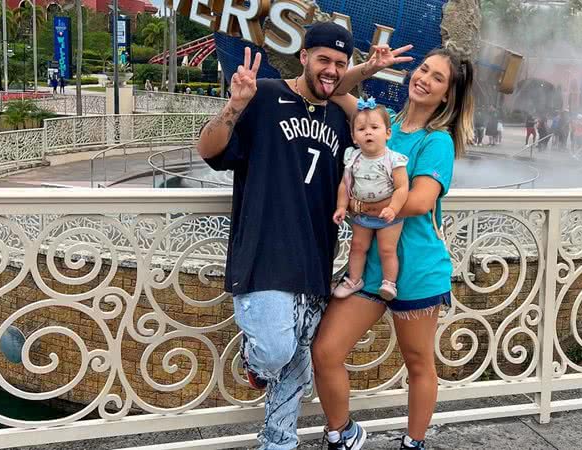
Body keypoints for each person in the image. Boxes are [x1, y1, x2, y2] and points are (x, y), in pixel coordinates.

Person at [196, 23, 409, 450]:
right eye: (323, 59)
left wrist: (365, 70)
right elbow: (208, 149)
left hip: (314, 259)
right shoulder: (265, 95)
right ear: (304, 55)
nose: (331, 70)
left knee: (295, 370)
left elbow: (375, 141)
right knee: (275, 351)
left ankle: (278, 443)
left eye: (340, 63)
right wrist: (235, 105)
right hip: (263, 255)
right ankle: (253, 362)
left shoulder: (343, 118)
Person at [314, 47, 475, 450]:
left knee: (418, 363)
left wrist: (355, 206)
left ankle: (413, 442)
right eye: (423, 69)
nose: (425, 79)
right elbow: (334, 92)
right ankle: (342, 431)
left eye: (438, 78)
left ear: (446, 96)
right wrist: (367, 68)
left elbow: (419, 201)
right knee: (326, 350)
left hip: (417, 270)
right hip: (368, 271)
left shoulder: (437, 141)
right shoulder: (379, 123)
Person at [333, 98, 409, 301]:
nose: (368, 132)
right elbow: (344, 184)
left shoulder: (394, 159)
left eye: (375, 127)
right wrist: (341, 207)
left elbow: (402, 188)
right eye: (361, 129)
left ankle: (389, 283)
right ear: (354, 137)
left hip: (388, 216)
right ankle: (354, 279)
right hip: (360, 214)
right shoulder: (353, 157)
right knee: (357, 246)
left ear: (387, 133)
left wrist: (393, 208)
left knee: (387, 249)